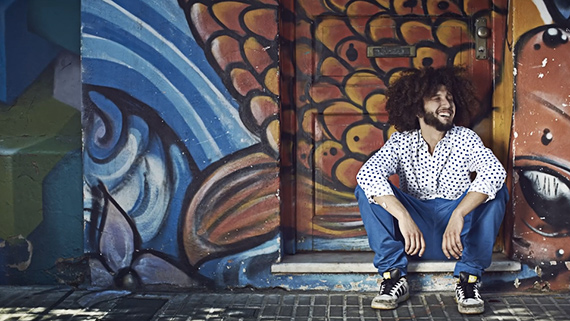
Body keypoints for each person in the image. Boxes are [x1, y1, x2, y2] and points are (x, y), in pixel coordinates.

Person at [355, 66, 508, 314]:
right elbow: (368, 174)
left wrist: (458, 214)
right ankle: (393, 277)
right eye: (436, 98)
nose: (446, 104)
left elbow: (494, 172)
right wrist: (403, 216)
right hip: (415, 239)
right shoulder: (401, 141)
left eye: (449, 97)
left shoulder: (465, 138)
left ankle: (469, 280)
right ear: (417, 108)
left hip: (457, 240)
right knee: (367, 189)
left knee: (497, 190)